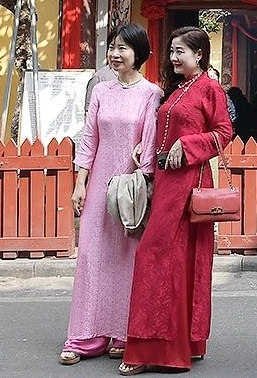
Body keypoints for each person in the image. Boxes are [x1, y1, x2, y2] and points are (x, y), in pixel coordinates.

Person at [119, 27, 234, 375]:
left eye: (180, 51)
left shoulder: (209, 88)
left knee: (158, 256)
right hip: (167, 182)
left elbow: (224, 133)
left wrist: (188, 146)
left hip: (191, 182)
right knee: (171, 260)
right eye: (171, 51)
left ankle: (153, 349)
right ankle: (178, 343)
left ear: (199, 55)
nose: (172, 57)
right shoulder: (177, 89)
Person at [61, 24, 162, 366]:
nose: (115, 54)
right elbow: (89, 138)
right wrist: (80, 183)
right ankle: (84, 336)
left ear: (140, 54)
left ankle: (122, 332)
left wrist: (144, 176)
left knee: (126, 258)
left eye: (123, 48)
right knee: (91, 256)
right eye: (113, 48)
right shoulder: (101, 91)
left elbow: (150, 142)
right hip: (99, 185)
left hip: (130, 188)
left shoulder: (152, 93)